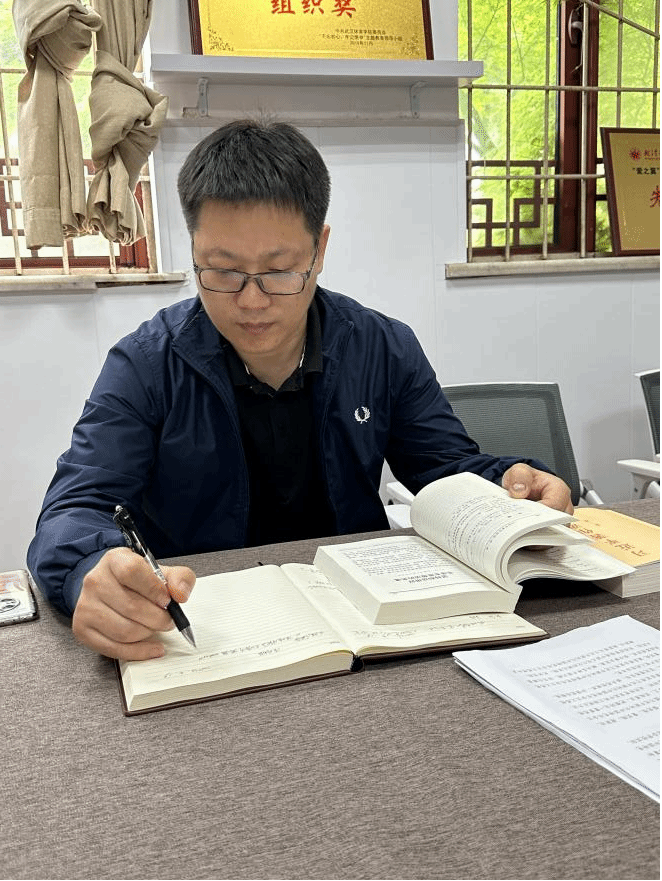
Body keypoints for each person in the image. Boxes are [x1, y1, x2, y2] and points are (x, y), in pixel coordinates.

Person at [27, 118, 573, 662]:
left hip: (361, 628)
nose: (252, 301)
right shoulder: (146, 364)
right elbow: (74, 508)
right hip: (207, 636)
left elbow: (446, 469)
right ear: (193, 248)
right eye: (222, 272)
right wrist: (88, 570)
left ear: (320, 248)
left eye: (280, 271)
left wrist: (511, 482)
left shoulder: (382, 348)